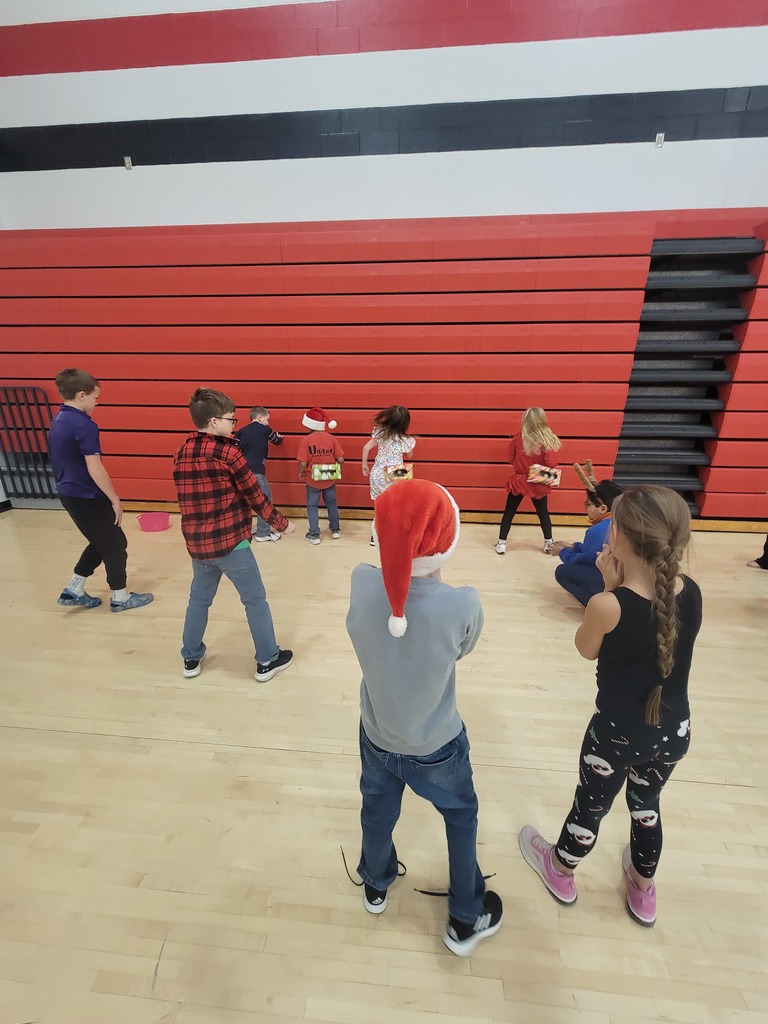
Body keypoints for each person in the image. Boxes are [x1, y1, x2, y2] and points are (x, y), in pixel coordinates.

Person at [518, 485, 702, 928]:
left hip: (618, 734)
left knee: (592, 806)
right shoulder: (691, 591)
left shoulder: (606, 605)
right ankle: (642, 887)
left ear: (615, 536)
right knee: (647, 804)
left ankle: (561, 870)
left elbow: (586, 649)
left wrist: (607, 588)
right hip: (675, 731)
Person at [346, 478, 503, 957]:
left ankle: (376, 882)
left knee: (377, 811)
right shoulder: (463, 603)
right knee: (461, 815)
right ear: (448, 541)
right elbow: (463, 648)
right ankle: (464, 916)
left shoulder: (361, 580)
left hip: (377, 735)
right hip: (437, 743)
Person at [172, 387, 295, 681]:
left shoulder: (182, 451)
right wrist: (282, 524)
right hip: (232, 544)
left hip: (198, 545)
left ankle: (191, 658)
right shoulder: (229, 453)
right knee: (255, 600)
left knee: (198, 600)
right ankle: (267, 659)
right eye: (232, 420)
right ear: (214, 422)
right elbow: (255, 496)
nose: (234, 425)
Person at [48, 368, 154, 612]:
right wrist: (115, 499)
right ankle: (120, 597)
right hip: (86, 495)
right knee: (116, 545)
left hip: (69, 494)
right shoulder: (84, 425)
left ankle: (74, 589)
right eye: (96, 398)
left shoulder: (59, 419)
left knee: (101, 541)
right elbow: (94, 467)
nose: (97, 403)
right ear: (81, 395)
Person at [494, 407, 561, 555]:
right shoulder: (548, 441)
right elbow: (551, 463)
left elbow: (510, 459)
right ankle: (548, 543)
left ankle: (501, 543)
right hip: (538, 481)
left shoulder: (518, 439)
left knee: (509, 512)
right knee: (543, 513)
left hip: (520, 480)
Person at [552, 478, 623, 607]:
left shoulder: (598, 530)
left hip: (610, 583)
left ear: (602, 509)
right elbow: (597, 550)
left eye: (587, 504)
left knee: (563, 571)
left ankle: (596, 606)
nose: (585, 508)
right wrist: (574, 546)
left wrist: (562, 551)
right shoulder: (619, 522)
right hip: (624, 581)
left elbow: (585, 561)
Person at [362, 405, 416, 545]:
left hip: (378, 472)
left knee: (379, 506)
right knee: (397, 505)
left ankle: (375, 537)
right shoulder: (406, 440)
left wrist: (364, 465)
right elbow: (409, 455)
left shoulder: (380, 433)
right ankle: (395, 534)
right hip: (396, 473)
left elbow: (366, 448)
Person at [235, 406, 284, 543]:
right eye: (267, 419)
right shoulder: (265, 429)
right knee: (264, 501)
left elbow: (234, 448)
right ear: (260, 418)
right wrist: (280, 438)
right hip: (257, 471)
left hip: (241, 472)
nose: (268, 422)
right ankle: (263, 533)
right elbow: (276, 440)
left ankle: (243, 531)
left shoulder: (241, 431)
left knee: (243, 502)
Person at [296, 407, 344, 545]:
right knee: (331, 503)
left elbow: (303, 462)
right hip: (330, 476)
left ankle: (314, 534)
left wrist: (300, 471)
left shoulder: (306, 440)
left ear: (309, 424)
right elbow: (341, 459)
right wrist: (336, 467)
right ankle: (335, 530)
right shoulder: (332, 438)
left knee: (312, 506)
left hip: (313, 478)